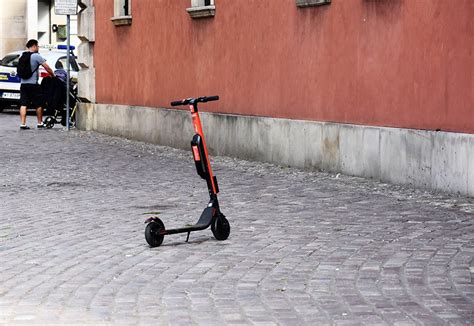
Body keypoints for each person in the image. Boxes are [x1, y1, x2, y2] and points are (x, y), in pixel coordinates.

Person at [18, 39, 55, 130]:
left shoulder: (22, 56)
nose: (38, 48)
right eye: (37, 46)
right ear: (34, 46)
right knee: (39, 104)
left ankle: (23, 124)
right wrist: (53, 75)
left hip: (23, 84)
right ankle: (39, 123)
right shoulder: (36, 56)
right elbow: (47, 67)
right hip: (33, 84)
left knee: (23, 104)